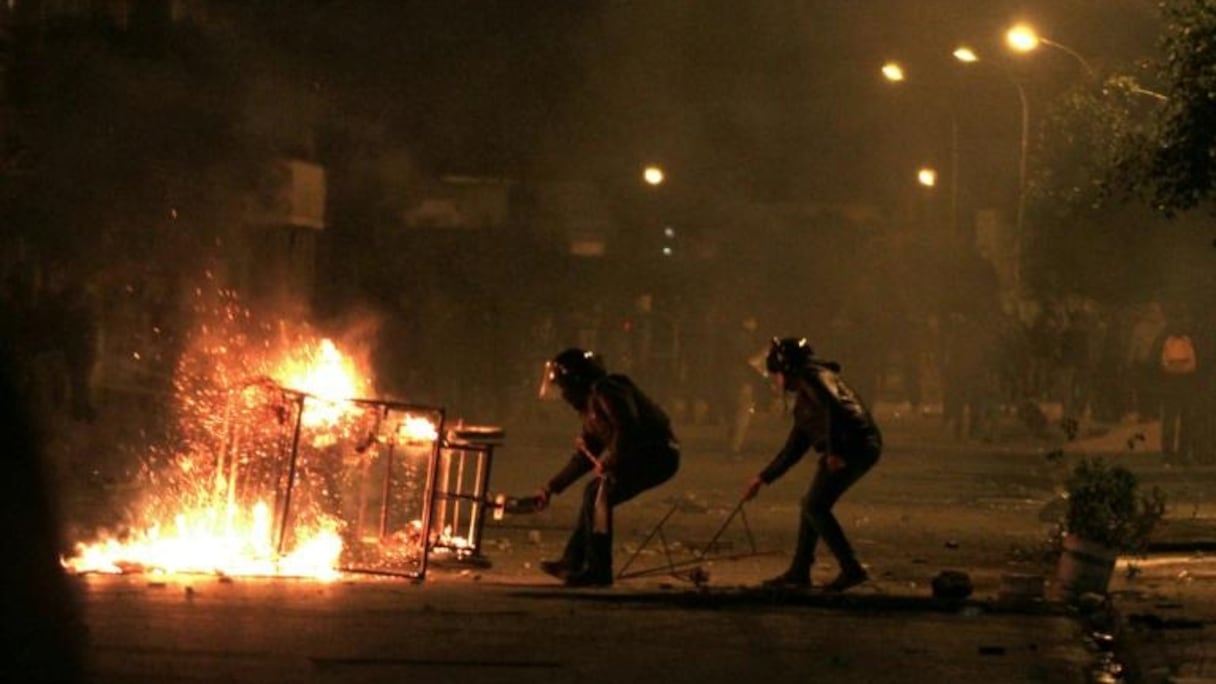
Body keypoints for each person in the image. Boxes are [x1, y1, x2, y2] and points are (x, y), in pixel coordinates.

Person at [743, 337, 882, 593]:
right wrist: (762, 478)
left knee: (815, 506)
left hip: (856, 446)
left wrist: (835, 451)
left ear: (788, 369)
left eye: (776, 374)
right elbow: (794, 447)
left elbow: (835, 407)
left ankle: (852, 569)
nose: (774, 381)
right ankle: (799, 571)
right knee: (811, 505)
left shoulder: (815, 376)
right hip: (845, 448)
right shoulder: (806, 398)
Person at [534, 347, 680, 587]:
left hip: (659, 455)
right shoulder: (591, 406)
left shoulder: (608, 390)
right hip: (642, 455)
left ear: (575, 381)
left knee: (597, 493)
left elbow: (627, 426)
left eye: (563, 387)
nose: (563, 395)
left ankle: (598, 570)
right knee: (594, 494)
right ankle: (573, 561)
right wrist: (551, 487)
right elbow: (583, 457)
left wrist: (612, 458)